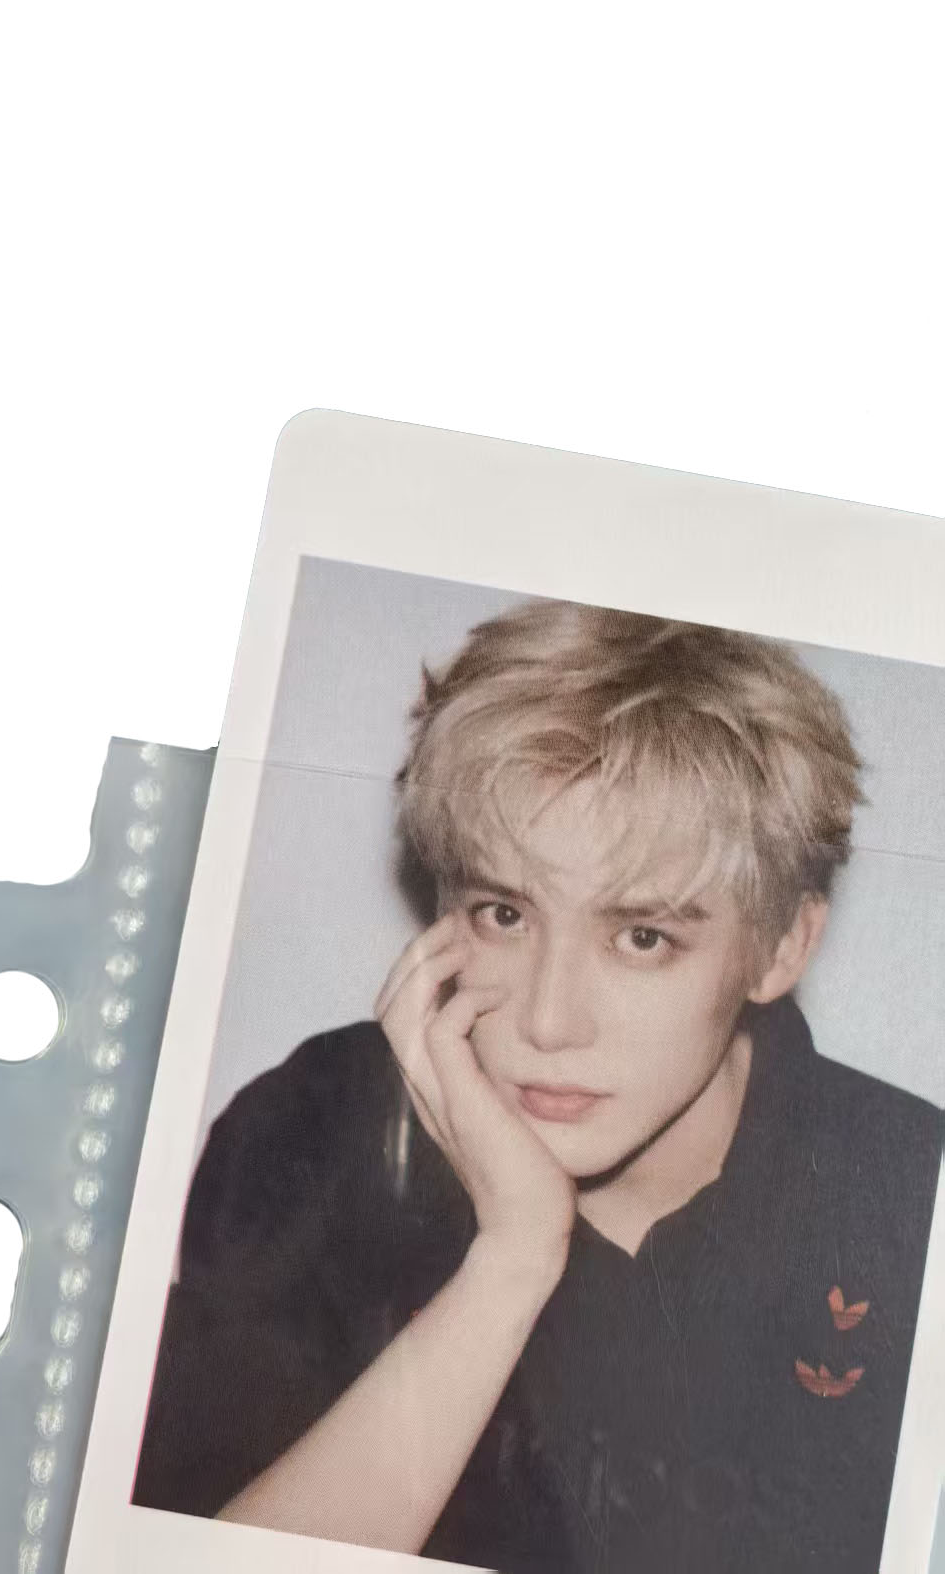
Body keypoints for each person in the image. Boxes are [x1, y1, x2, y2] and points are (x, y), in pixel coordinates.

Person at [132, 599, 942, 1572]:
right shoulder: (310, 1131)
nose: (548, 1023)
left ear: (780, 947)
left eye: (641, 936)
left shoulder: (912, 1190)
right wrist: (511, 1258)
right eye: (503, 913)